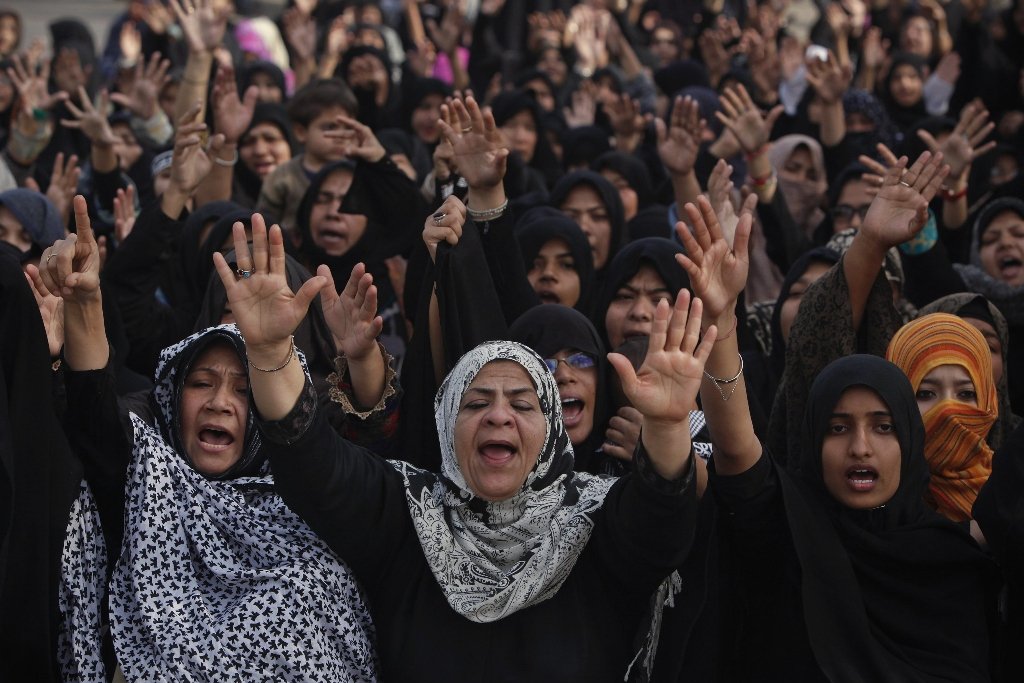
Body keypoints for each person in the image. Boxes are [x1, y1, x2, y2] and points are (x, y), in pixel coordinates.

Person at [217, 207, 711, 681]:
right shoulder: (408, 515)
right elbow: (312, 462)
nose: (499, 415)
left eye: (522, 404)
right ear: (447, 424)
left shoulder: (596, 520)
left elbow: (661, 518)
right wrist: (269, 353)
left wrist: (667, 426)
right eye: (475, 404)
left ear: (552, 431)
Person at [41, 196, 390, 680]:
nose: (219, 402)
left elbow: (367, 447)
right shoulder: (151, 475)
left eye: (246, 389)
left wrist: (353, 361)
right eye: (201, 383)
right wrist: (85, 306)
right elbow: (98, 423)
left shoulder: (315, 498)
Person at [675, 194, 994, 681]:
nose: (861, 447)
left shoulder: (951, 561)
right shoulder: (790, 531)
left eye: (884, 427)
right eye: (838, 428)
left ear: (910, 442)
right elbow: (738, 451)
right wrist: (720, 327)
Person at [886, 312, 998, 522]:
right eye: (925, 394)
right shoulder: (871, 493)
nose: (948, 411)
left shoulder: (1011, 490)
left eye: (966, 394)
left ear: (987, 400)